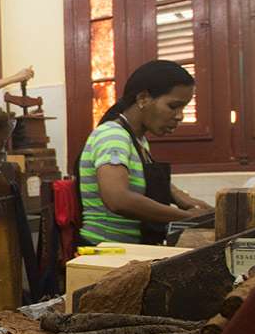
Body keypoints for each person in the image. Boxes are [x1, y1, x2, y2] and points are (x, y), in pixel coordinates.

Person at [77, 60, 210, 245]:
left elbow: (140, 176)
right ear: (143, 99)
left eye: (183, 108)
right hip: (105, 250)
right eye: (173, 106)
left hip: (130, 248)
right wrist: (186, 217)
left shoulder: (139, 140)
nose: (180, 116)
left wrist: (184, 199)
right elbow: (118, 199)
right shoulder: (113, 136)